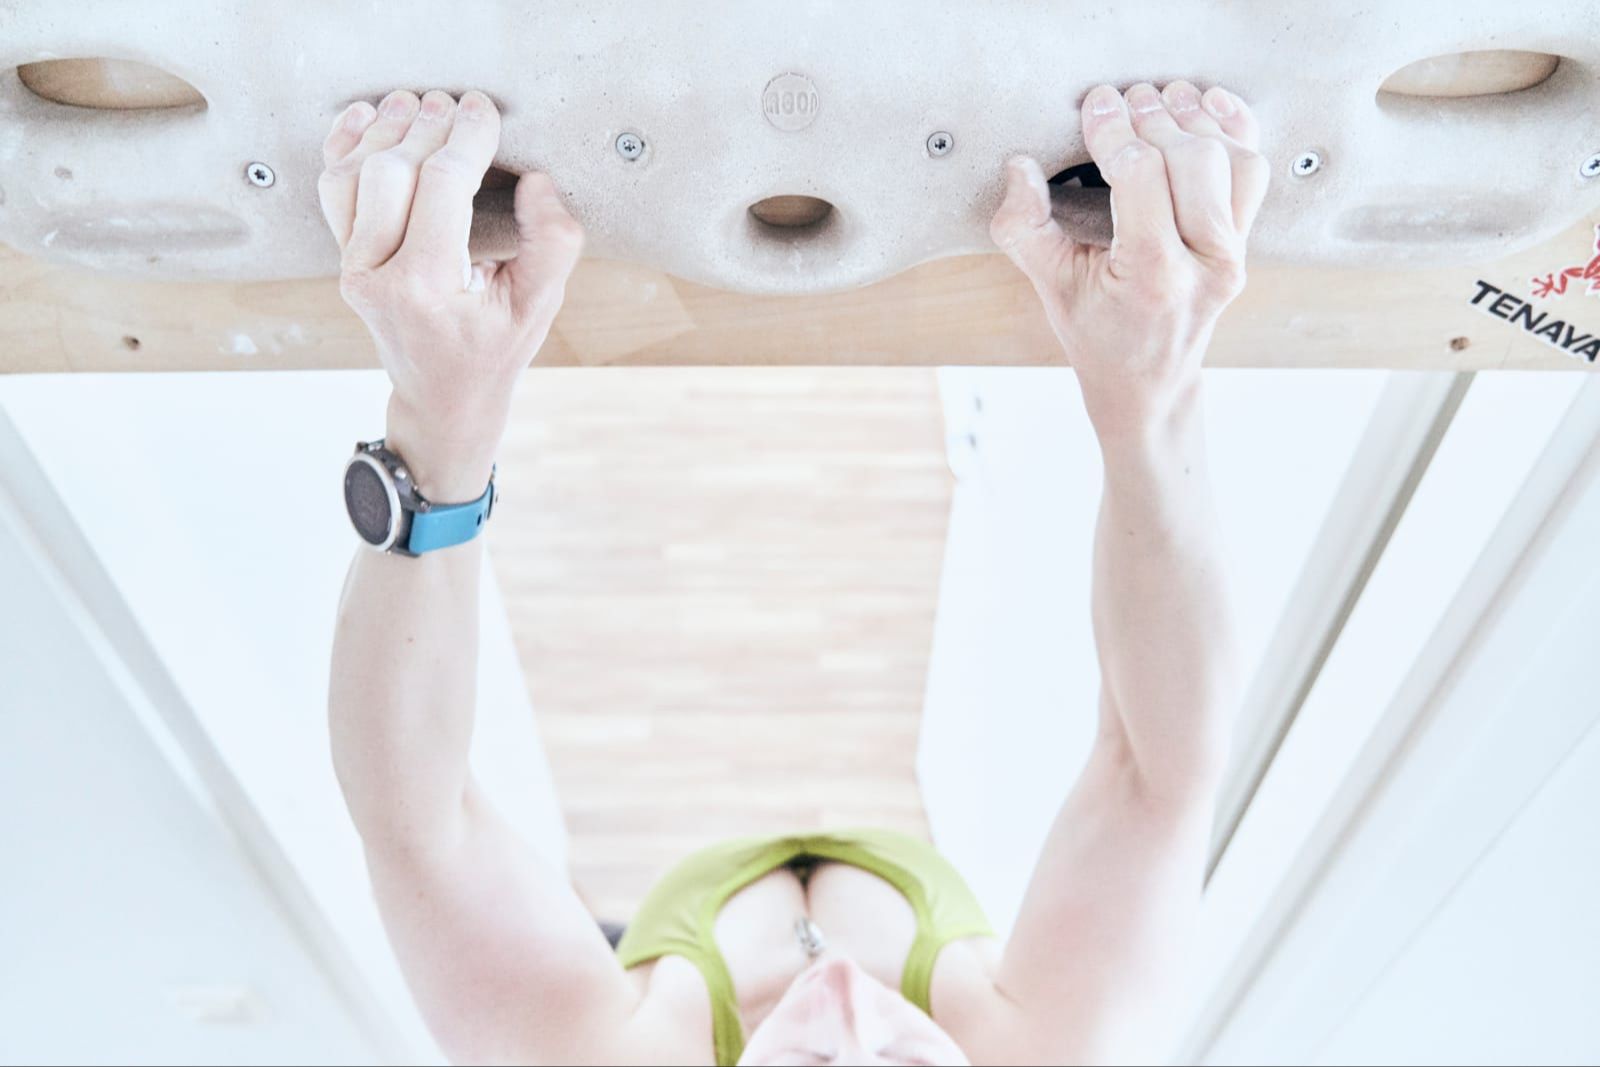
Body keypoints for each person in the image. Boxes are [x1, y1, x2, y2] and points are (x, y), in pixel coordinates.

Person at [325, 79, 1268, 1066]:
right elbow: (1158, 773)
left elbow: (414, 822)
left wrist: (439, 425)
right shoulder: (1055, 1049)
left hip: (661, 987)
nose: (846, 1003)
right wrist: (1149, 392)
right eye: (901, 1060)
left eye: (809, 1061)